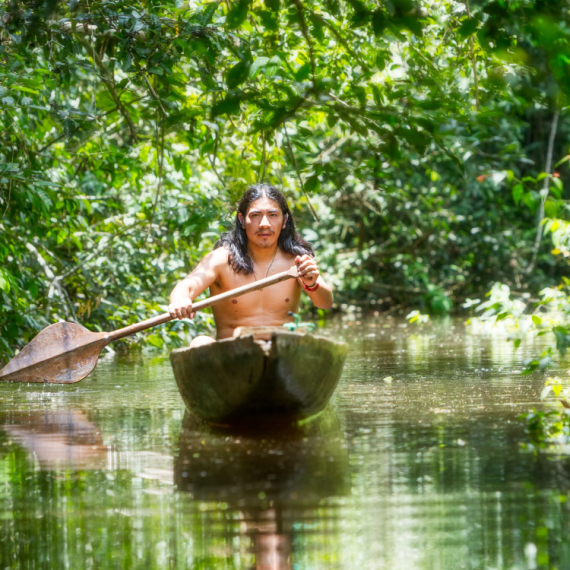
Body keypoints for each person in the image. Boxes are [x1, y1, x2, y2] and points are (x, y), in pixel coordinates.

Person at [168, 183, 333, 347]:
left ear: (284, 220)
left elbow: (325, 303)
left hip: (281, 355)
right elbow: (188, 285)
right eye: (255, 215)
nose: (264, 224)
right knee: (200, 342)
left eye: (273, 215)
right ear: (242, 220)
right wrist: (180, 301)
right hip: (233, 356)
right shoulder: (221, 260)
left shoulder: (296, 261)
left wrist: (312, 282)